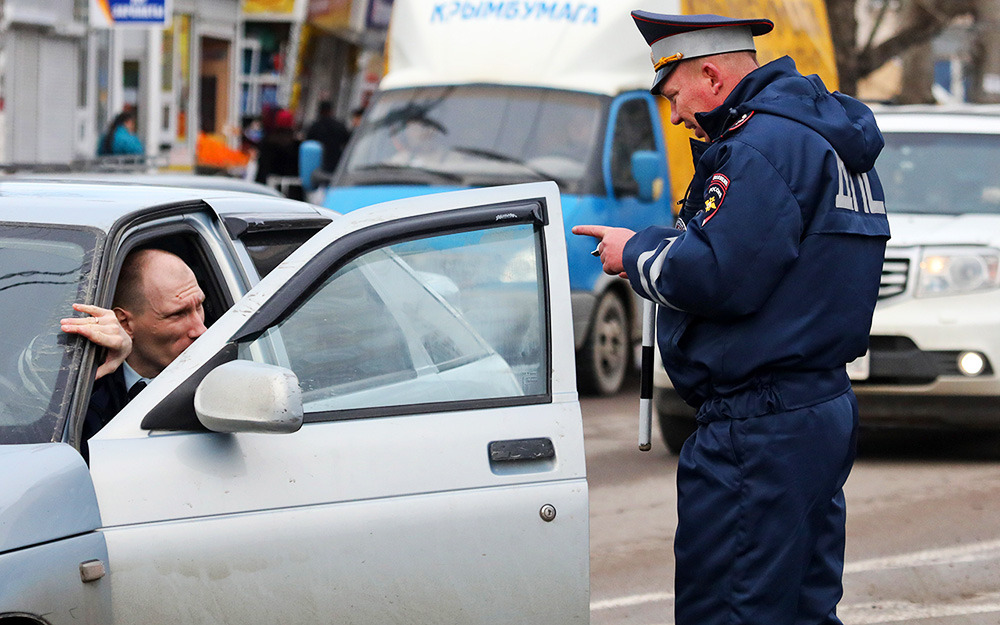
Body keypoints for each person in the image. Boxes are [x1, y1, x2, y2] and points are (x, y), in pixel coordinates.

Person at [573, 11, 890, 625]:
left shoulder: (759, 146)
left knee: (728, 608)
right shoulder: (823, 136)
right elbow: (768, 255)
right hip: (815, 407)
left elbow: (720, 274)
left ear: (712, 77)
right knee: (803, 608)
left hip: (758, 422)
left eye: (674, 95)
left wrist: (634, 253)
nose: (674, 116)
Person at [61, 248, 207, 459]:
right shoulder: (88, 381)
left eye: (199, 306)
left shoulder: (217, 370)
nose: (201, 330)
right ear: (124, 323)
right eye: (178, 314)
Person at [255, 108, 303, 199]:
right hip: (293, 192)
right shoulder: (297, 144)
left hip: (270, 191)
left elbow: (262, 169)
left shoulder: (267, 143)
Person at [305, 100, 351, 173]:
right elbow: (348, 144)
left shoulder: (314, 127)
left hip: (317, 165)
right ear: (331, 111)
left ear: (319, 111)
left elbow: (308, 145)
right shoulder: (340, 126)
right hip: (336, 164)